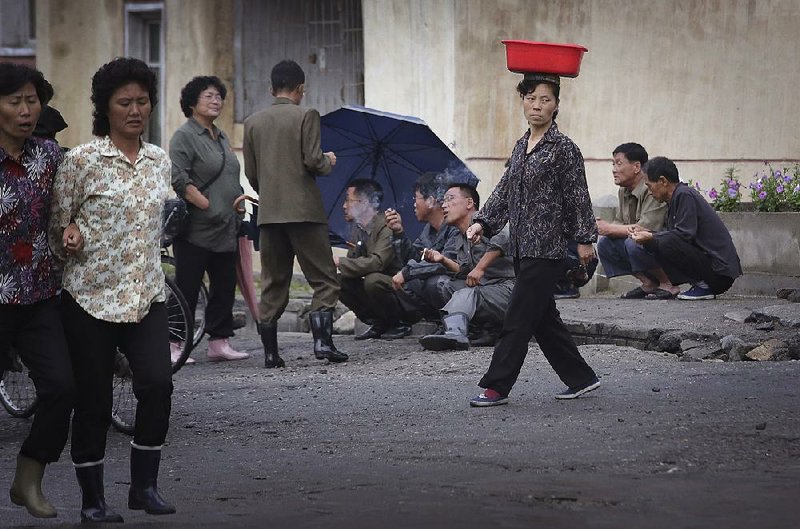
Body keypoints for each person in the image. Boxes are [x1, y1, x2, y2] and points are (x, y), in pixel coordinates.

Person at [50, 57, 176, 522]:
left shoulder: (159, 160)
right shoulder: (81, 161)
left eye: (142, 101)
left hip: (146, 295)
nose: (135, 110)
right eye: (125, 102)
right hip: (89, 297)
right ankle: (92, 500)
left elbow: (162, 217)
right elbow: (55, 227)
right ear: (106, 107)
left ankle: (144, 487)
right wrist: (70, 235)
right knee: (94, 400)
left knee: (158, 385)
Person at [466, 74, 600, 407]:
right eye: (530, 98)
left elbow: (578, 196)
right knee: (543, 320)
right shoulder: (521, 145)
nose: (537, 106)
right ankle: (582, 378)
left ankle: (497, 386)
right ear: (522, 101)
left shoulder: (565, 148)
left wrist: (584, 239)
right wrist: (482, 222)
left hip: (549, 248)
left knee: (518, 316)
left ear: (556, 105)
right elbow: (505, 190)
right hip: (522, 247)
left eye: (545, 99)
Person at [0, 63, 76, 519]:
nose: (26, 111)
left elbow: (76, 204)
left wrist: (74, 230)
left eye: (32, 101)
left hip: (40, 293)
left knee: (62, 388)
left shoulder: (50, 157)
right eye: (14, 102)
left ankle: (28, 477)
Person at [243, 59, 347, 368]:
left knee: (274, 282)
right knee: (324, 277)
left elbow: (252, 174)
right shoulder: (307, 115)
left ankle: (271, 354)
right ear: (300, 89)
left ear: (271, 89)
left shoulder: (252, 123)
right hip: (304, 211)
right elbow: (313, 161)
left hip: (270, 212)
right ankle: (322, 343)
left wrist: (271, 192)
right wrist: (328, 160)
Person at [169, 75, 248, 363]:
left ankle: (219, 341)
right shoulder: (185, 136)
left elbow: (228, 173)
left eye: (218, 96)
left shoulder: (222, 135)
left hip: (227, 225)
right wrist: (205, 202)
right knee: (186, 287)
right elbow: (178, 176)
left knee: (224, 286)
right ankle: (174, 344)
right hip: (196, 227)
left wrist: (237, 200)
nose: (216, 101)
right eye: (208, 96)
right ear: (192, 103)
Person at [418, 183, 515, 351]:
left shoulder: (483, 221)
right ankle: (483, 329)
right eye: (443, 200)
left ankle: (456, 333)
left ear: (469, 203)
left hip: (511, 290)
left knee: (467, 293)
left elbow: (504, 238)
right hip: (489, 290)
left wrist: (480, 268)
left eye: (450, 199)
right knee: (446, 286)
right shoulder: (460, 236)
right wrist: (442, 259)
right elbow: (465, 271)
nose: (444, 205)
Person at [630, 156, 742, 300]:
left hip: (719, 273)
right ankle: (698, 284)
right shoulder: (675, 199)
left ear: (663, 181)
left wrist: (651, 235)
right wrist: (647, 234)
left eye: (650, 186)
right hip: (712, 270)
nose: (650, 192)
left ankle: (704, 286)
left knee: (663, 241)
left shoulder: (684, 195)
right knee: (652, 242)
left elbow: (683, 235)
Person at [596, 143, 677, 299]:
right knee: (605, 243)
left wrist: (609, 228)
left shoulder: (652, 187)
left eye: (618, 163)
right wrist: (601, 227)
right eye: (613, 164)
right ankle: (648, 283)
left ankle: (668, 284)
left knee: (634, 241)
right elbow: (620, 223)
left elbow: (646, 228)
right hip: (644, 244)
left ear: (636, 167)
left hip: (665, 245)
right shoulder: (623, 190)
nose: (614, 169)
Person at [336, 179, 407, 339]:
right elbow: (353, 265)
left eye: (348, 200)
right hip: (376, 284)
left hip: (398, 286)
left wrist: (341, 262)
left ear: (365, 203)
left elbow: (378, 262)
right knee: (338, 280)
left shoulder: (386, 225)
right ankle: (378, 322)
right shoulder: (357, 229)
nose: (344, 206)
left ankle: (398, 323)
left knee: (372, 280)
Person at [387, 171, 460, 322]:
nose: (414, 204)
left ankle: (458, 321)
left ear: (431, 201)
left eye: (417, 198)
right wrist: (399, 232)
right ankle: (437, 319)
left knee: (435, 283)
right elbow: (412, 259)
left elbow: (445, 264)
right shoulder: (428, 231)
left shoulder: (455, 226)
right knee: (406, 282)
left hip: (462, 283)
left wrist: (408, 272)